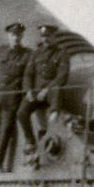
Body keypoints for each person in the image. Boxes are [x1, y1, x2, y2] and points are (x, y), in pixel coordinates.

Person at [0, 21, 31, 170]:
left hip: (11, 100)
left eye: (18, 35)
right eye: (13, 34)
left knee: (5, 132)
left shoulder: (27, 55)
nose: (15, 37)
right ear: (8, 36)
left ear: (21, 36)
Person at [19, 24, 70, 163]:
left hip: (51, 91)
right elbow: (28, 74)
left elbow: (62, 76)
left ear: (54, 37)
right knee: (22, 113)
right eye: (43, 36)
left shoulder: (61, 53)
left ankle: (52, 128)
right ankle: (30, 141)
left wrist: (46, 89)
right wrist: (28, 91)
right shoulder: (36, 54)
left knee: (56, 95)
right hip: (35, 93)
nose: (45, 39)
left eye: (48, 36)